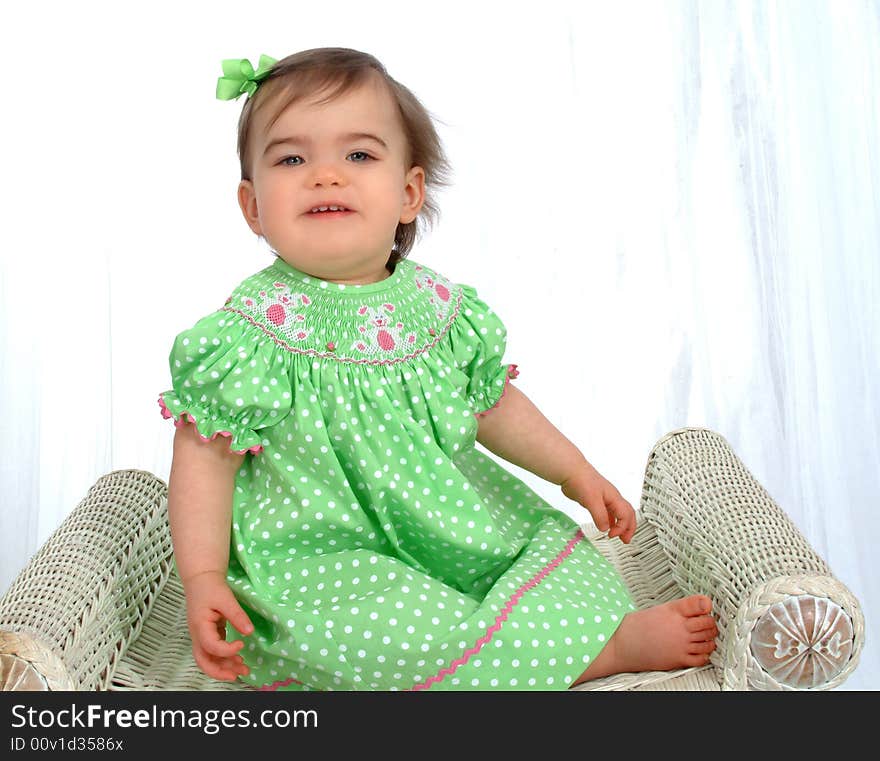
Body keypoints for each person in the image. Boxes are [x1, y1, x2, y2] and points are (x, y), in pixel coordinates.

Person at [158, 47, 718, 691]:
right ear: (252, 207)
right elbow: (204, 458)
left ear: (408, 194)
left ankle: (552, 637)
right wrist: (202, 577)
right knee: (365, 634)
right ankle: (596, 654)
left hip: (455, 528)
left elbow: (492, 406)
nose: (326, 176)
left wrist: (575, 472)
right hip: (326, 562)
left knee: (553, 557)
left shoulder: (438, 309)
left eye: (359, 155)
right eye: (292, 159)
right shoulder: (247, 335)